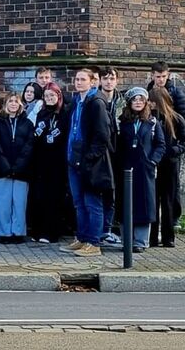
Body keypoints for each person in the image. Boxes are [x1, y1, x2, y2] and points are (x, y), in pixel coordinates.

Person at [61, 68, 113, 258]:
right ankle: (82, 238)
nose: (79, 82)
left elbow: (102, 136)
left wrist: (89, 158)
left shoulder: (96, 102)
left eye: (83, 79)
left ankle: (93, 242)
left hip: (90, 163)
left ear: (93, 82)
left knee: (92, 203)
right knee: (78, 202)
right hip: (73, 159)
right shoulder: (77, 101)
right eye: (77, 79)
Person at [117, 87, 166, 252]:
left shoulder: (153, 123)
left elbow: (160, 144)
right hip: (126, 168)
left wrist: (152, 161)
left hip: (145, 170)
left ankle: (141, 241)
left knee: (144, 204)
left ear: (145, 103)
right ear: (129, 103)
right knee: (126, 203)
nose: (138, 103)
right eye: (134, 100)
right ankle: (126, 240)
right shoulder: (123, 122)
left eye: (141, 100)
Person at [149, 86, 185, 248]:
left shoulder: (175, 118)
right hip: (153, 164)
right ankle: (152, 237)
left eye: (152, 101)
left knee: (167, 201)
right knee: (153, 200)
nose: (149, 104)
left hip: (169, 164)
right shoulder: (149, 118)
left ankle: (168, 237)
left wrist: (174, 151)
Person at [0, 93, 35, 244]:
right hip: (1, 170)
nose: (13, 104)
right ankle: (4, 233)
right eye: (11, 101)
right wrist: (5, 166)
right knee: (2, 203)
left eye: (16, 101)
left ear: (20, 105)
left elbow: (29, 146)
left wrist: (18, 166)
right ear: (5, 104)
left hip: (21, 171)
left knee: (19, 203)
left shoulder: (27, 123)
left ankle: (18, 232)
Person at [30, 82, 69, 244]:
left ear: (58, 96)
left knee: (54, 197)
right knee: (40, 197)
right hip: (42, 161)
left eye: (52, 95)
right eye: (46, 96)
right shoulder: (42, 113)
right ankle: (38, 230)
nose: (49, 98)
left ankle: (52, 232)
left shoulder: (65, 114)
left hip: (58, 162)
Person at [97, 66, 125, 248]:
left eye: (112, 78)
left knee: (112, 193)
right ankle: (98, 230)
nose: (108, 81)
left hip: (118, 153)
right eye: (105, 78)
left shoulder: (122, 101)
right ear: (100, 80)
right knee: (99, 193)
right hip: (100, 153)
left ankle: (107, 229)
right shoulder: (95, 100)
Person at [146, 60, 185, 125]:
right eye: (158, 77)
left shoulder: (176, 92)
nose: (161, 79)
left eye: (164, 76)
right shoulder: (147, 92)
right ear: (152, 76)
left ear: (168, 75)